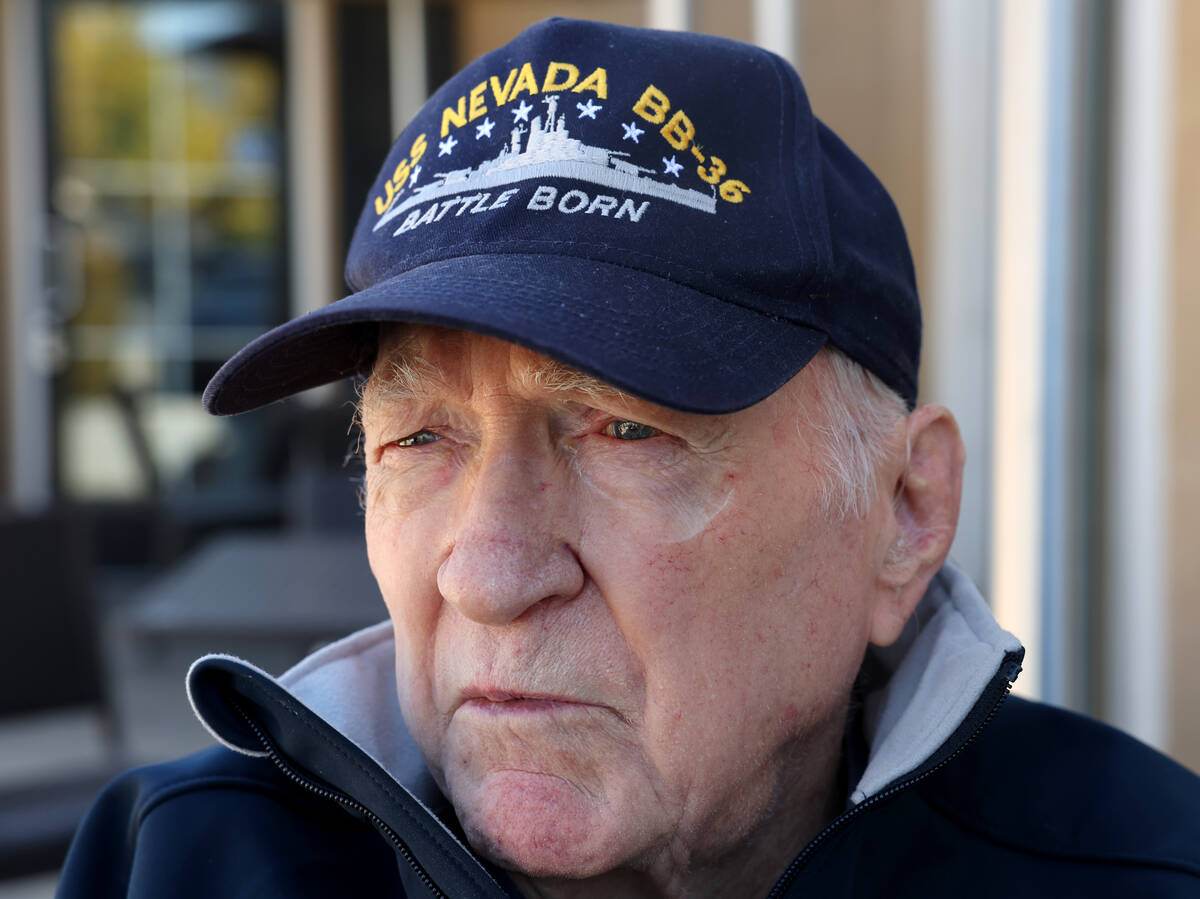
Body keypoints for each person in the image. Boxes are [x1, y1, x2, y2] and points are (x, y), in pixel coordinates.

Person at [60, 18, 1200, 898]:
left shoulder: (1144, 866)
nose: (489, 575)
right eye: (419, 437)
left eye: (626, 428)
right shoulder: (177, 863)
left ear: (904, 510)